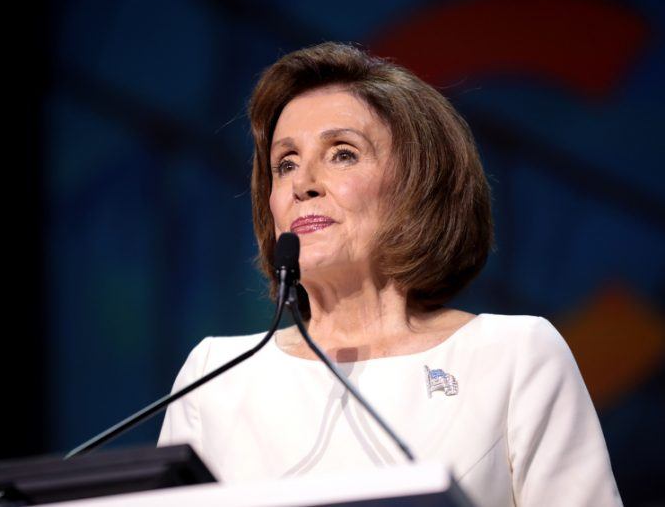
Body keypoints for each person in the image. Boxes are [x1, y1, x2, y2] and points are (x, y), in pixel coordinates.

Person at [158, 42, 622, 506]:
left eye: (342, 154)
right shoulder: (215, 376)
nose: (303, 184)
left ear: (419, 184)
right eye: (286, 163)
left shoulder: (513, 355)